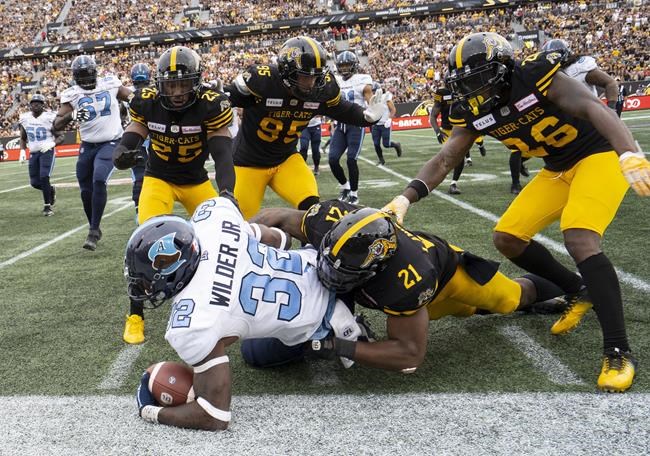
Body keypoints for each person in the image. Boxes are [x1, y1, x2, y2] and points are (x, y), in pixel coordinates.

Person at [382, 32, 650, 392]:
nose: (472, 91)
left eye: (479, 80)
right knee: (507, 238)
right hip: (557, 167)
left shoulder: (533, 74)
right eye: (465, 83)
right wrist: (405, 198)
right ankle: (578, 289)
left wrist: (627, 152)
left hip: (598, 154)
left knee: (579, 237)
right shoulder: (473, 109)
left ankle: (618, 349)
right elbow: (446, 158)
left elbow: (593, 108)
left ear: (504, 69)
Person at [241, 200, 565, 372]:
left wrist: (333, 347)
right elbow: (274, 215)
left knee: (508, 300)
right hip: (377, 276)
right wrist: (240, 237)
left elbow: (408, 354)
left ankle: (571, 285)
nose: (330, 276)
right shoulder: (327, 219)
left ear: (377, 269)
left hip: (447, 280)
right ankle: (344, 320)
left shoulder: (407, 281)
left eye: (345, 274)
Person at [128, 197, 365, 430]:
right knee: (250, 346)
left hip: (321, 316)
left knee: (254, 354)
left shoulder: (191, 323)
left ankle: (343, 329)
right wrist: (238, 246)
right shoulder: (212, 218)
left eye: (147, 280)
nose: (145, 288)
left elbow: (214, 416)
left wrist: (150, 411)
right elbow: (280, 240)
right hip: (326, 264)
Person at [113, 46, 237, 345]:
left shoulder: (211, 105)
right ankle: (135, 315)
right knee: (145, 244)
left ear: (197, 81)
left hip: (196, 181)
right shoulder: (147, 102)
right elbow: (130, 138)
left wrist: (227, 193)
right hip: (159, 179)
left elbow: (222, 155)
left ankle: (227, 305)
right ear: (160, 84)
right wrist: (122, 154)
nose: (178, 92)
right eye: (171, 85)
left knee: (225, 235)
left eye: (184, 84)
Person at [223, 36, 387, 219]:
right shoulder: (265, 81)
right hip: (247, 163)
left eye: (316, 76)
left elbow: (343, 110)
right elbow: (225, 99)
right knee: (241, 222)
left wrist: (366, 117)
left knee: (313, 211)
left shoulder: (322, 89)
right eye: (305, 76)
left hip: (285, 160)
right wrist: (219, 95)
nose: (311, 83)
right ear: (286, 72)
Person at [54, 55, 132, 250]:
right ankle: (94, 225)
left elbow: (134, 98)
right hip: (87, 145)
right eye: (82, 75)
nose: (86, 78)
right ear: (75, 76)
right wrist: (72, 115)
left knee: (99, 178)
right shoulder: (72, 94)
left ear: (95, 72)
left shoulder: (110, 83)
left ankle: (93, 230)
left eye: (88, 73)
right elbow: (56, 124)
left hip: (111, 141)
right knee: (85, 189)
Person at [329, 51, 374, 204]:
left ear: (354, 65)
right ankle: (345, 186)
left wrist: (373, 110)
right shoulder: (335, 81)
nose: (344, 68)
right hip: (340, 125)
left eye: (347, 65)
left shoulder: (362, 79)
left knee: (351, 159)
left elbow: (370, 100)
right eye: (342, 66)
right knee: (333, 159)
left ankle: (354, 193)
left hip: (356, 125)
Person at [430, 82, 486, 195]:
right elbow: (433, 115)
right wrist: (437, 132)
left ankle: (453, 184)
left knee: (459, 156)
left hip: (461, 128)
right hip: (447, 131)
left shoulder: (465, 89)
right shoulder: (442, 93)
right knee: (449, 158)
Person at [541, 39, 619, 112]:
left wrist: (611, 109)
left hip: (588, 117)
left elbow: (610, 83)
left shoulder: (578, 68)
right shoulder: (546, 75)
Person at [19, 93, 61, 216]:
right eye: (33, 103)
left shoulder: (49, 117)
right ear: (30, 105)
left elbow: (61, 136)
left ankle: (47, 207)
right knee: (34, 183)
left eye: (39, 103)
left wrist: (52, 144)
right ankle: (50, 189)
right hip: (33, 152)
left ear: (43, 105)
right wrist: (22, 151)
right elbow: (23, 137)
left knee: (44, 176)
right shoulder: (25, 118)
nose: (36, 105)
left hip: (46, 151)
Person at [126, 62, 152, 219]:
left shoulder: (129, 94)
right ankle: (139, 209)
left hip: (154, 138)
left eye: (143, 83)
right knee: (139, 175)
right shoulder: (129, 94)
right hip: (139, 139)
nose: (141, 87)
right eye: (139, 83)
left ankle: (145, 207)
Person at [370, 82, 402, 166]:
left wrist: (389, 119)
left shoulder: (385, 98)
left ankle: (396, 145)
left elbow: (393, 109)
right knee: (376, 144)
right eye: (372, 91)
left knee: (386, 144)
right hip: (375, 125)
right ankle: (381, 160)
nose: (373, 92)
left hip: (385, 124)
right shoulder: (372, 99)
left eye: (374, 91)